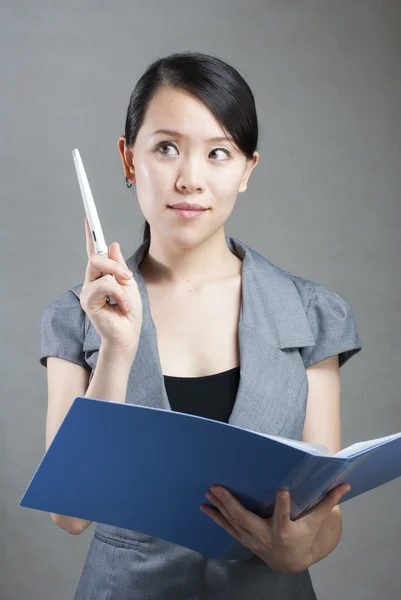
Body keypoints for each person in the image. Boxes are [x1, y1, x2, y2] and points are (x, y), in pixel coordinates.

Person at [39, 51, 362, 600]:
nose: (190, 179)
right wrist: (116, 348)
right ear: (128, 158)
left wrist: (297, 549)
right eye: (166, 148)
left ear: (247, 170)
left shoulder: (310, 313)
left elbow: (323, 510)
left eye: (218, 153)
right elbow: (68, 515)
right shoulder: (77, 314)